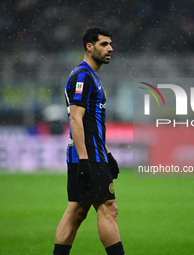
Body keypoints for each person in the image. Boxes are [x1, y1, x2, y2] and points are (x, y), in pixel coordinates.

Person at [52, 27, 125, 255]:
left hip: (93, 153)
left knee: (76, 211)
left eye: (110, 44)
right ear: (89, 47)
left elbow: (93, 124)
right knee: (108, 209)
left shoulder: (93, 76)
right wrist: (85, 160)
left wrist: (108, 153)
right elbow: (76, 118)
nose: (110, 48)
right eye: (104, 44)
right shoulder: (82, 76)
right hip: (88, 156)